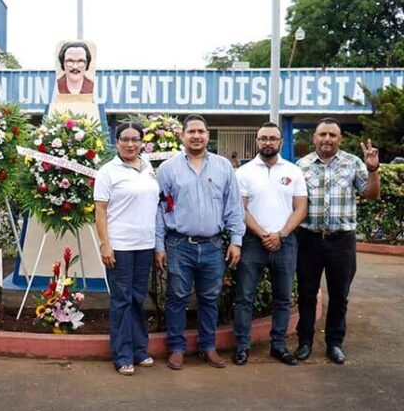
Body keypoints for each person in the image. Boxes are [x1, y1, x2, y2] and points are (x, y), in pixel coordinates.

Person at [155, 114, 245, 370]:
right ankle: (176, 348)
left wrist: (236, 240)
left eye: (201, 131)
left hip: (213, 246)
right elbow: (160, 210)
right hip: (178, 244)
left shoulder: (223, 167)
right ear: (182, 136)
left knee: (209, 297)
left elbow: (234, 207)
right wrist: (159, 246)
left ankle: (208, 347)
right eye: (191, 131)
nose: (196, 136)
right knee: (177, 298)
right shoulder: (168, 169)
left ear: (208, 135)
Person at [294, 118, 380, 364]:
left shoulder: (353, 163)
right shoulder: (302, 165)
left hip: (341, 241)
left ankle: (334, 343)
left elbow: (372, 194)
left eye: (332, 135)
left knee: (339, 294)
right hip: (308, 239)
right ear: (314, 138)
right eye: (323, 134)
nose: (327, 139)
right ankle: (305, 341)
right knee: (307, 292)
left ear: (339, 138)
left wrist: (373, 170)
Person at [232, 122, 307, 366]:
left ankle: (278, 345)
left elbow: (301, 208)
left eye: (273, 138)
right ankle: (242, 346)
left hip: (285, 243)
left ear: (281, 142)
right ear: (257, 141)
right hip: (253, 242)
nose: (268, 143)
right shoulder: (243, 173)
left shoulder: (294, 171)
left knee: (283, 298)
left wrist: (281, 234)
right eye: (263, 138)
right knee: (245, 297)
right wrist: (264, 233)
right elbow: (239, 209)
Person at [94, 122, 160, 376]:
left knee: (138, 299)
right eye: (124, 139)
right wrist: (105, 244)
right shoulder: (107, 171)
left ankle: (140, 349)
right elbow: (100, 210)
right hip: (120, 247)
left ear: (142, 142)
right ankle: (122, 355)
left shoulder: (148, 167)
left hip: (145, 245)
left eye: (135, 139)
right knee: (122, 300)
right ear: (116, 141)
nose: (130, 144)